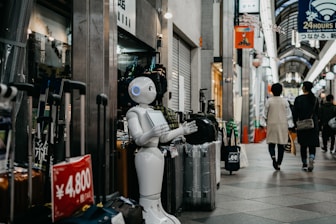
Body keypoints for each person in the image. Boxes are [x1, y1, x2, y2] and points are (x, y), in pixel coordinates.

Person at [126, 76, 198, 224]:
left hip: (156, 154)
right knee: (147, 192)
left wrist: (181, 130)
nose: (153, 92)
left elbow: (164, 137)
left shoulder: (153, 111)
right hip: (145, 155)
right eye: (150, 88)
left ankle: (158, 210)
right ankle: (148, 213)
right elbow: (138, 139)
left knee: (156, 192)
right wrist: (152, 133)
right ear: (136, 90)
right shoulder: (133, 112)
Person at [262, 83, 294, 171]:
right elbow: (289, 115)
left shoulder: (269, 101)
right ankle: (279, 163)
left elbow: (264, 114)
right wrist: (291, 125)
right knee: (281, 145)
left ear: (272, 91)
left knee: (271, 143)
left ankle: (273, 157)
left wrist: (263, 124)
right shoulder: (285, 101)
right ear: (281, 91)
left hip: (271, 124)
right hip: (282, 125)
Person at [293, 81, 319, 172]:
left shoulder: (298, 99)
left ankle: (304, 164)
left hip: (302, 125)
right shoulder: (315, 99)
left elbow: (295, 113)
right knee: (312, 144)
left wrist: (294, 124)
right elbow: (317, 113)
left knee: (303, 145)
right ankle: (311, 158)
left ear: (304, 88)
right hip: (313, 125)